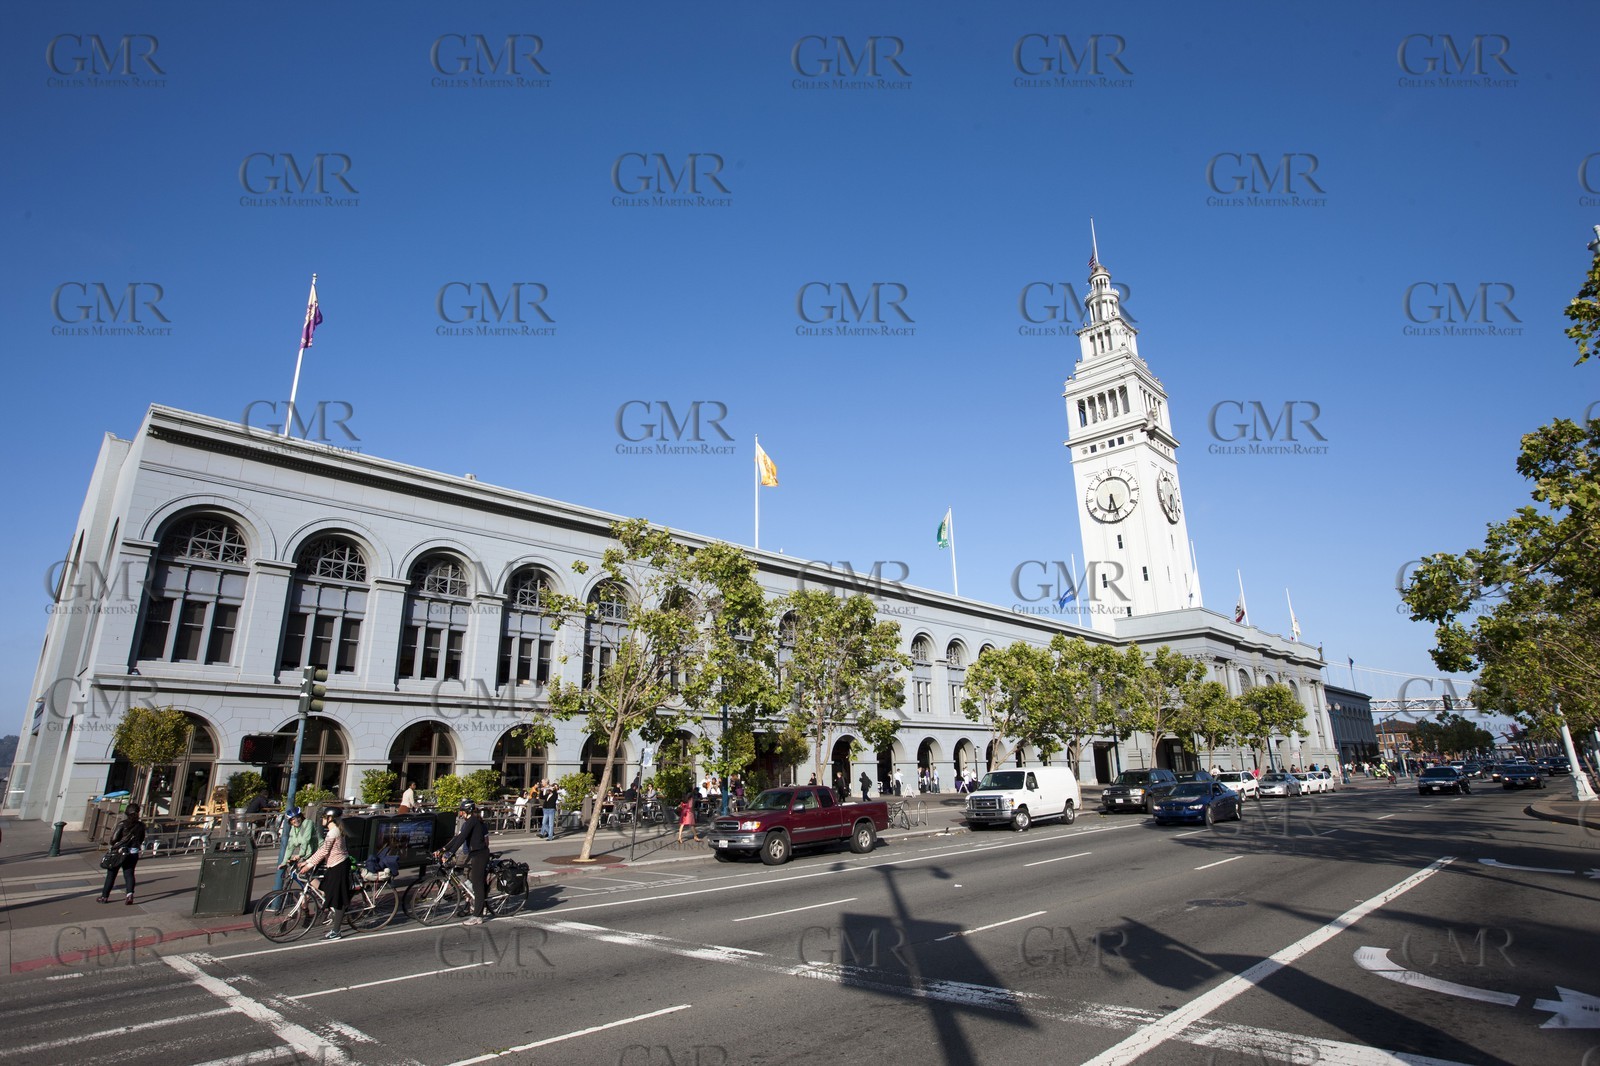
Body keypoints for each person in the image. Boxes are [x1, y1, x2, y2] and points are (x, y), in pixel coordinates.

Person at [299, 808, 351, 940]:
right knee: (326, 888)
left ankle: (336, 931)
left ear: (330, 819)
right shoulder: (333, 831)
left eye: (323, 817)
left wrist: (309, 865)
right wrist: (308, 861)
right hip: (334, 866)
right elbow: (322, 849)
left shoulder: (333, 832)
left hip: (338, 867)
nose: (321, 819)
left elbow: (324, 851)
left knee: (337, 899)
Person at [439, 798, 491, 926]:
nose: (460, 812)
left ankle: (477, 916)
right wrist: (444, 849)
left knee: (477, 885)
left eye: (461, 810)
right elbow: (458, 837)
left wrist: (450, 854)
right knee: (473, 880)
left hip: (480, 855)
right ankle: (474, 904)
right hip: (475, 855)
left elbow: (461, 838)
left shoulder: (472, 821)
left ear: (466, 810)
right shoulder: (469, 822)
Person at [96, 803, 146, 904]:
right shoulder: (141, 825)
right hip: (133, 852)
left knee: (111, 874)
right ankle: (129, 895)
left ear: (127, 812)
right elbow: (141, 839)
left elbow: (114, 839)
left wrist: (116, 844)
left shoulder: (122, 824)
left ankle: (104, 897)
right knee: (129, 874)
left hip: (120, 851)